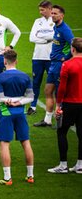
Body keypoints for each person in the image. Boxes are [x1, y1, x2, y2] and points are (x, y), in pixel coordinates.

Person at [0, 50, 34, 185]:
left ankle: (7, 178)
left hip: (6, 114)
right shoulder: (25, 77)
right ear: (16, 61)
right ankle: (30, 176)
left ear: (5, 61)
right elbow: (30, 97)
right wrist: (19, 102)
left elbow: (0, 98)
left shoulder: (0, 77)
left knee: (5, 144)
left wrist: (9, 101)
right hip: (21, 113)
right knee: (26, 142)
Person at [34, 5, 74, 127]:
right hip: (53, 64)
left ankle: (62, 120)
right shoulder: (56, 27)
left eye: (55, 14)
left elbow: (74, 45)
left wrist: (65, 58)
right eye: (52, 13)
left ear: (62, 15)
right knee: (48, 90)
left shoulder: (65, 29)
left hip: (59, 65)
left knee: (59, 94)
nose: (52, 15)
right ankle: (47, 120)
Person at [48, 37, 82, 174]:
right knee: (81, 133)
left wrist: (58, 105)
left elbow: (61, 88)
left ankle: (63, 165)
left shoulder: (67, 65)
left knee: (61, 132)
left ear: (72, 49)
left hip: (69, 104)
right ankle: (80, 165)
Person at [27, 0, 55, 115]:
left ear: (49, 9)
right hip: (37, 57)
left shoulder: (55, 22)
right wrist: (47, 39)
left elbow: (54, 36)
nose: (40, 12)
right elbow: (32, 38)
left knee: (54, 83)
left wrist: (41, 36)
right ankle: (32, 106)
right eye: (40, 10)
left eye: (42, 10)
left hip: (51, 58)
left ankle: (58, 108)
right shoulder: (37, 21)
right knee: (36, 82)